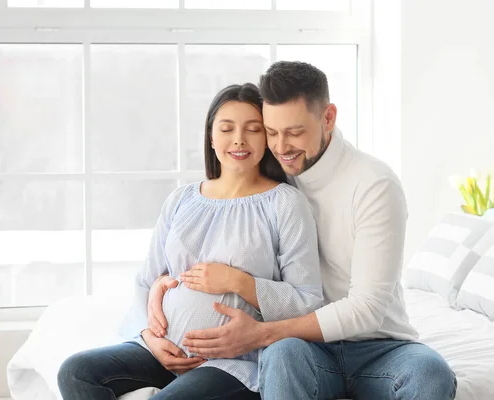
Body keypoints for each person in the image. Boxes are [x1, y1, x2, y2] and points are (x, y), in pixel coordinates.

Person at [148, 62, 457, 400]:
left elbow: (367, 308)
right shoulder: (275, 178)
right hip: (304, 348)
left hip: (378, 346)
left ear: (328, 118)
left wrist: (260, 334)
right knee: (281, 354)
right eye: (271, 132)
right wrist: (157, 296)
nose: (281, 147)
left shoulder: (373, 184)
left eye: (294, 132)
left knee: (430, 373)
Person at [56, 83, 324, 400]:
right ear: (211, 137)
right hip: (162, 349)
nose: (239, 139)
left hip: (231, 362)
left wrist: (240, 282)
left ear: (267, 138)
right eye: (226, 129)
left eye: (253, 129)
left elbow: (308, 300)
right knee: (75, 372)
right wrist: (149, 335)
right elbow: (147, 279)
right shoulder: (182, 199)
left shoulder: (286, 204)